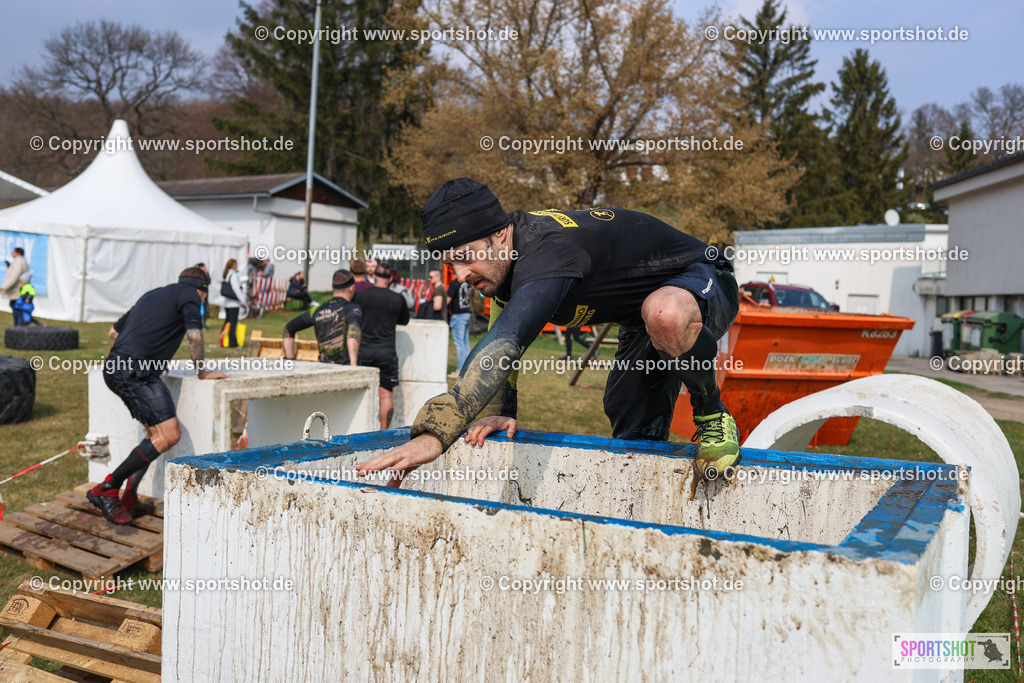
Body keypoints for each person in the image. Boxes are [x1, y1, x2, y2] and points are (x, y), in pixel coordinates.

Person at [357, 177, 741, 485]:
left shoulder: (547, 251)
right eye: (449, 263)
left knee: (665, 313)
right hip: (638, 319)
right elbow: (502, 324)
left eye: (464, 257)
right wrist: (500, 410)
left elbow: (510, 339)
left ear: (500, 235)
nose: (460, 275)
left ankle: (712, 415)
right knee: (634, 440)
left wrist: (436, 432)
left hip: (702, 281)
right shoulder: (506, 263)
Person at [88, 267, 226, 524]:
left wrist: (151, 353)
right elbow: (194, 335)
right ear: (202, 291)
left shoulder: (154, 295)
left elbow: (113, 332)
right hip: (136, 372)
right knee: (169, 435)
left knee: (154, 436)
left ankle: (129, 498)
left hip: (119, 367)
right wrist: (203, 372)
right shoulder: (192, 296)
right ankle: (107, 488)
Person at [354, 264, 411, 428]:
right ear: (391, 279)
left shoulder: (360, 296)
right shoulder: (397, 298)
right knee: (386, 395)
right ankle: (383, 432)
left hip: (363, 350)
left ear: (373, 276)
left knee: (361, 394)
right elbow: (404, 320)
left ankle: (360, 430)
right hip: (386, 352)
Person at [283, 269, 362, 365]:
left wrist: (290, 360)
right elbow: (353, 333)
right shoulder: (352, 308)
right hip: (345, 368)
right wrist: (354, 365)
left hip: (323, 367)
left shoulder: (316, 310)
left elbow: (288, 329)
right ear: (352, 288)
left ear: (332, 287)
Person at [447, 276, 473, 377]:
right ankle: (468, 369)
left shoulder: (454, 283)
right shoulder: (468, 282)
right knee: (465, 342)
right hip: (468, 313)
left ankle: (460, 370)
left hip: (458, 315)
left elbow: (448, 300)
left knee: (459, 343)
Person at [220, 259, 245, 348]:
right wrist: (243, 301)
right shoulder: (233, 275)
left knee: (227, 323)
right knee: (233, 324)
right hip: (233, 304)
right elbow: (236, 289)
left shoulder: (227, 274)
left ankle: (223, 340)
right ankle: (232, 342)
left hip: (227, 303)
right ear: (232, 265)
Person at [2, 247, 30, 320]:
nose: (12, 254)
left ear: (19, 253)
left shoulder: (19, 262)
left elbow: (14, 277)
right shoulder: (21, 261)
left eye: (14, 252)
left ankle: (18, 326)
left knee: (16, 307)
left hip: (16, 290)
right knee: (17, 307)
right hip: (19, 289)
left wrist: (3, 287)